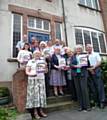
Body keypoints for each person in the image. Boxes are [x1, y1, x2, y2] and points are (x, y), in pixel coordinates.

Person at [25, 50, 47, 119]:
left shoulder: (42, 61)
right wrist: (32, 74)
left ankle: (41, 111)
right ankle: (35, 112)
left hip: (41, 79)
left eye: (38, 54)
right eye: (36, 54)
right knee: (34, 95)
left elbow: (46, 71)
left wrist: (45, 67)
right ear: (33, 55)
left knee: (41, 95)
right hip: (33, 80)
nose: (37, 55)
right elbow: (27, 71)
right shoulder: (30, 61)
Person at [71, 44, 91, 111]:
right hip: (76, 74)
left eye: (79, 49)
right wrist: (75, 66)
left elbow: (88, 64)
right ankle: (80, 106)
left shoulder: (84, 55)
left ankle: (87, 106)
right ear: (75, 50)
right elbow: (70, 65)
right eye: (77, 49)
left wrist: (86, 59)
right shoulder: (73, 56)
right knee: (78, 90)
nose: (78, 50)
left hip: (83, 74)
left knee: (84, 89)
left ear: (81, 49)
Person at [86, 44, 105, 108]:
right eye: (87, 48)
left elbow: (99, 62)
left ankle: (102, 102)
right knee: (93, 88)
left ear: (92, 48)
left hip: (96, 70)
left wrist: (93, 68)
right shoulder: (86, 55)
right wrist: (89, 69)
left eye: (89, 47)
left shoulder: (96, 54)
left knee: (99, 86)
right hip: (89, 72)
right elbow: (85, 64)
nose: (88, 48)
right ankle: (96, 101)